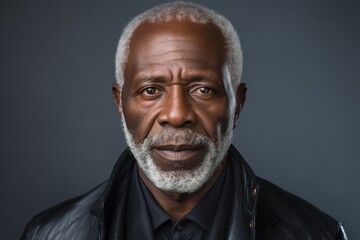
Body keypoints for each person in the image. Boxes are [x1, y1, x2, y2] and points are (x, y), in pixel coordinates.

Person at [21, 2, 347, 240]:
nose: (176, 115)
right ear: (120, 102)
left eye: (203, 89)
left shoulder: (317, 234)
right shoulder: (48, 234)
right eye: (151, 90)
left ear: (237, 104)